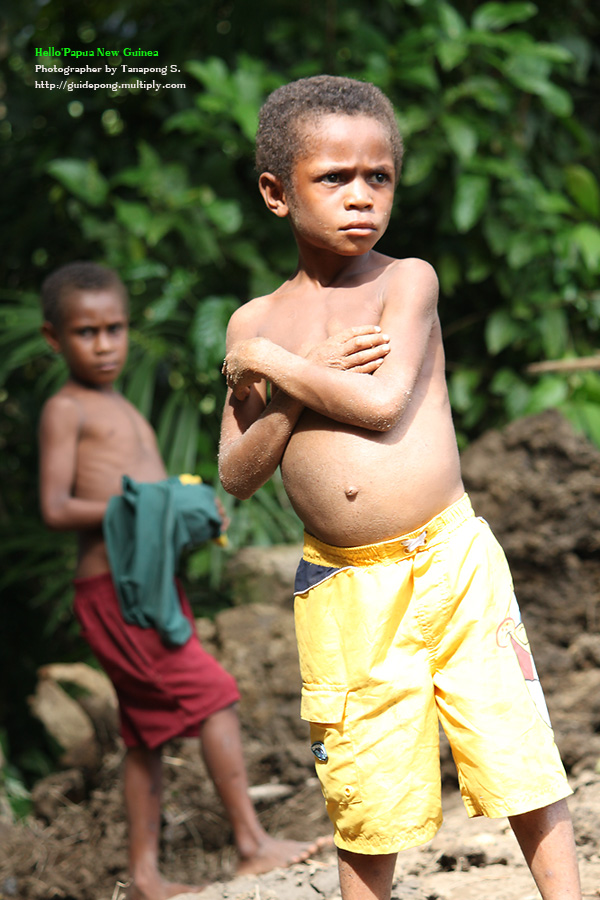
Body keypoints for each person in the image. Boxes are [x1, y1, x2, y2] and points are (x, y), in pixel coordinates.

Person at [218, 75, 582, 900]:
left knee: (515, 744)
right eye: (334, 178)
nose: (360, 197)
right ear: (277, 193)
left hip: (450, 563)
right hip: (345, 591)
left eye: (377, 177)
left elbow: (383, 407)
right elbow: (237, 475)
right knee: (365, 787)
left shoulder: (404, 282)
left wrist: (281, 371)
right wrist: (295, 390)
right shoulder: (252, 323)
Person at [37, 261, 330, 900]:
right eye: (87, 332)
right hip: (119, 594)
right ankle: (251, 843)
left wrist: (182, 514)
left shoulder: (116, 406)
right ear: (55, 339)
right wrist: (153, 502)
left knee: (146, 736)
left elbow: (136, 497)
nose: (106, 344)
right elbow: (57, 507)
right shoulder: (66, 409)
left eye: (115, 328)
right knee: (217, 693)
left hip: (148, 587)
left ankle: (144, 878)